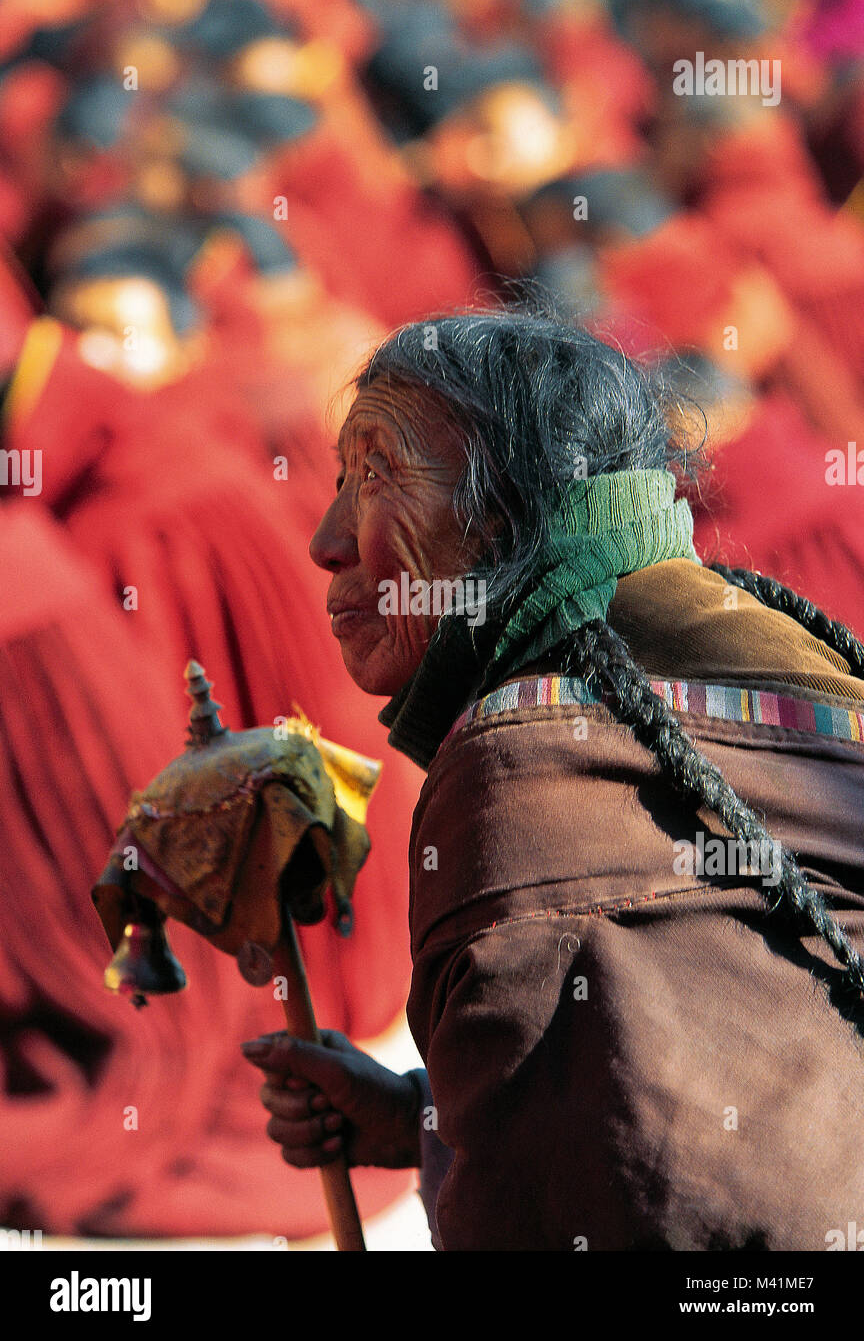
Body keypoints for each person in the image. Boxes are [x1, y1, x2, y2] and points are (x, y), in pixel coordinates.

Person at [242, 305, 864, 1251]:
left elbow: (599, 1198)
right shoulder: (787, 658)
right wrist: (416, 1112)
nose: (328, 540)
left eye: (377, 478)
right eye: (338, 481)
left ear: (500, 521)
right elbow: (708, 1082)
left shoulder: (523, 764)